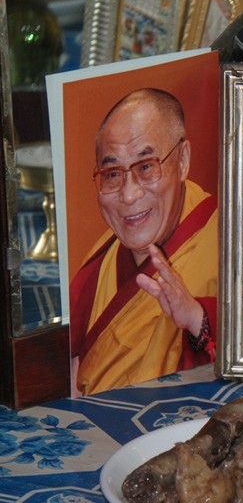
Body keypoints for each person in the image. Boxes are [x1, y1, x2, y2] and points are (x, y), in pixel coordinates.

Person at [68, 88, 218, 396]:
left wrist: (196, 317)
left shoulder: (229, 240)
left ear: (183, 160)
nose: (128, 195)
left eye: (146, 167)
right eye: (112, 174)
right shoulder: (105, 254)